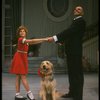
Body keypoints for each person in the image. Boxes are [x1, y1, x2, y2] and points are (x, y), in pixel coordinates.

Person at [48, 6, 86, 100]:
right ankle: (72, 92)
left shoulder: (81, 21)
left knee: (76, 74)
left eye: (79, 9)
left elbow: (69, 31)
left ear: (82, 13)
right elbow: (71, 35)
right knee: (71, 73)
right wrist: (61, 41)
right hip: (71, 51)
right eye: (76, 9)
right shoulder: (75, 21)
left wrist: (55, 37)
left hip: (75, 52)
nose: (76, 10)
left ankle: (78, 96)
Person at [9, 26, 48, 100]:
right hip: (19, 58)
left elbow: (34, 41)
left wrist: (44, 40)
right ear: (19, 33)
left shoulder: (25, 40)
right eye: (20, 31)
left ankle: (17, 95)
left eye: (23, 31)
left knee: (18, 76)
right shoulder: (21, 39)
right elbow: (32, 41)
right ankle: (29, 93)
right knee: (23, 76)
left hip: (21, 57)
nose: (22, 32)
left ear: (26, 32)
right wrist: (44, 39)